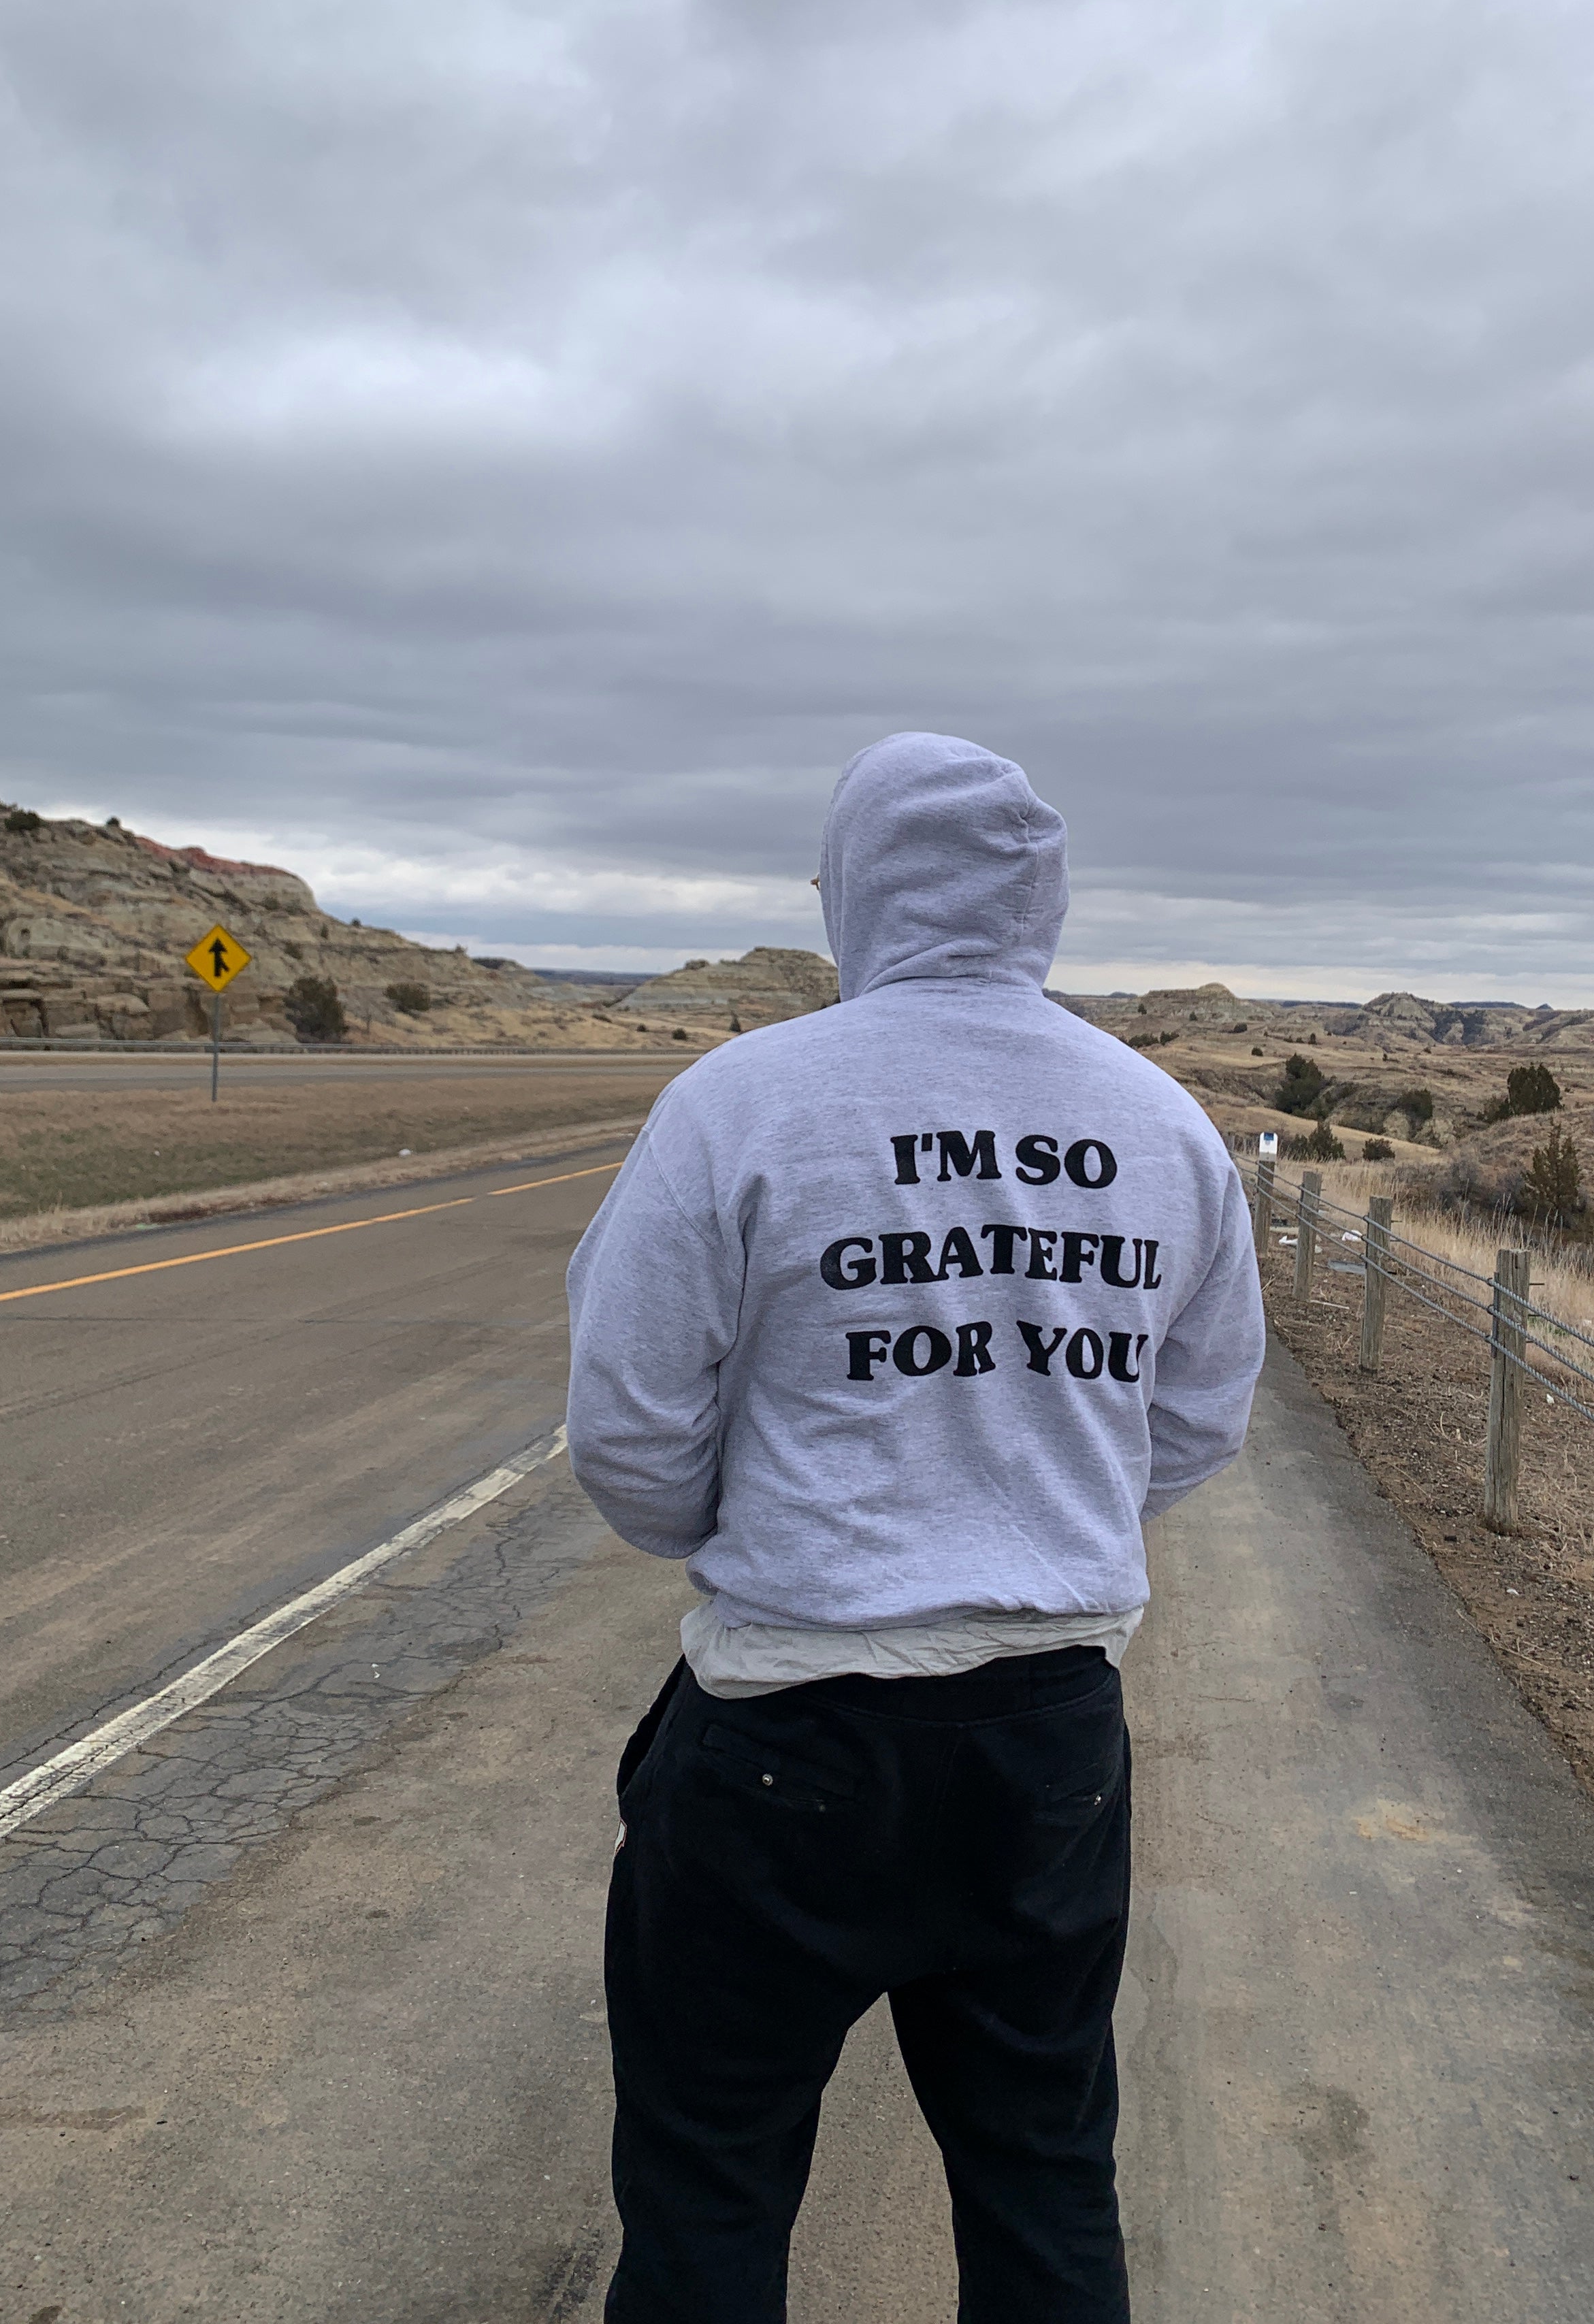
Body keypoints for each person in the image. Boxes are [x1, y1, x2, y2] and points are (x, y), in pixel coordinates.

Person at [566, 731, 1263, 2323]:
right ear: (1045, 904)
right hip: (1050, 1743)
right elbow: (1202, 1415)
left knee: (709, 2192)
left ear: (858, 889)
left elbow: (626, 1426)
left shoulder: (741, 1105)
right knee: (1042, 2182)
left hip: (783, 1738)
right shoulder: (1161, 1127)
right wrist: (1040, 1505)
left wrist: (762, 1534)